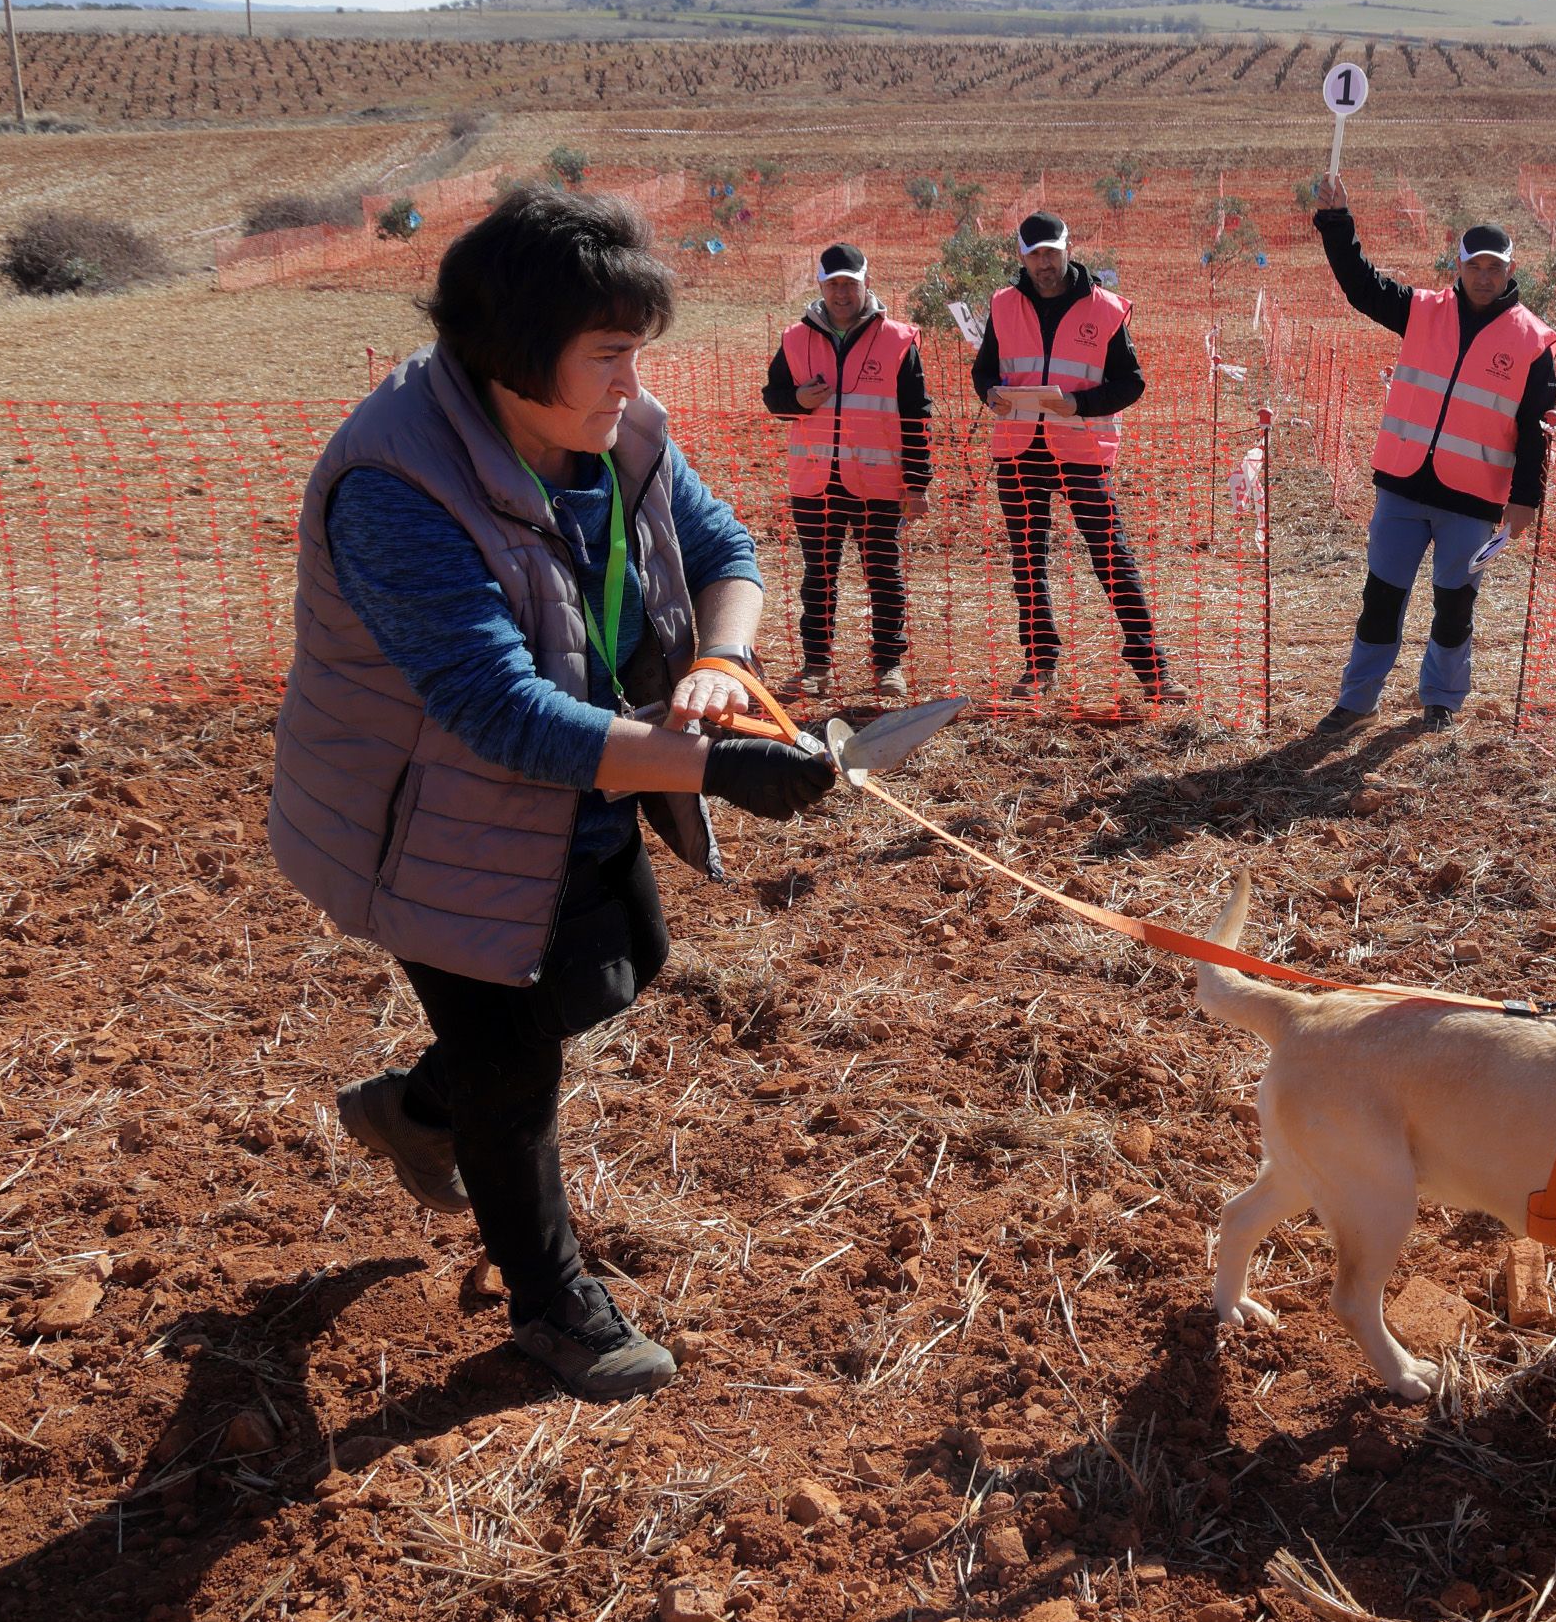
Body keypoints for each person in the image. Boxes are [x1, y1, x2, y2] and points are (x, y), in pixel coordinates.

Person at [268, 185, 838, 1402]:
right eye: (610, 351)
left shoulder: (621, 432)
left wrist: (723, 665)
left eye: (638, 348)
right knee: (513, 1065)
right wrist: (712, 767)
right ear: (517, 355)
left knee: (623, 955)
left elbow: (726, 548)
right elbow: (496, 711)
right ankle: (554, 1308)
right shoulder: (395, 488)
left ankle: (420, 1108)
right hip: (430, 818)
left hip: (577, 783)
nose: (634, 377)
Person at [1309, 173, 1556, 735]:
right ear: (1459, 266)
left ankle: (1442, 699)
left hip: (1472, 502)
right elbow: (1360, 285)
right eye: (1475, 266)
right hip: (1402, 487)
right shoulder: (1422, 310)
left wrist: (1524, 502)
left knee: (1454, 608)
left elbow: (1536, 429)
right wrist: (1337, 221)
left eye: (1496, 267)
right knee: (1381, 598)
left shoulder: (1532, 341)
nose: (1485, 277)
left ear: (1511, 270)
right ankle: (1357, 700)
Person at [971, 210, 1181, 707]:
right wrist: (990, 395)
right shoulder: (1003, 305)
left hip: (1082, 453)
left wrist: (1081, 405)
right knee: (1027, 561)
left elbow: (1132, 383)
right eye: (1035, 254)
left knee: (1112, 558)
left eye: (1052, 252)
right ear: (1022, 256)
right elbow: (983, 371)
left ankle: (1152, 668)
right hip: (1020, 452)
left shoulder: (1105, 309)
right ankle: (1039, 665)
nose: (1045, 263)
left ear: (1069, 249)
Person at [761, 242, 933, 698]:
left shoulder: (897, 340)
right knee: (818, 576)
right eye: (834, 283)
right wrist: (796, 401)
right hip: (815, 482)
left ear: (866, 284)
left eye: (850, 284)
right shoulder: (795, 338)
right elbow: (773, 397)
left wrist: (918, 483)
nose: (842, 293)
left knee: (883, 574)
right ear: (820, 285)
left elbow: (918, 416)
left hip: (877, 483)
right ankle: (816, 667)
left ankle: (888, 667)